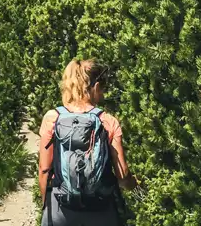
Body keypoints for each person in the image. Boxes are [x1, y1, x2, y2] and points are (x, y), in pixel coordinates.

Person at [39, 58, 137, 226]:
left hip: (61, 208)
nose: (103, 95)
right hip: (100, 210)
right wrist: (134, 184)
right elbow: (123, 175)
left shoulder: (52, 118)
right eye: (103, 90)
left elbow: (44, 169)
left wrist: (45, 205)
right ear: (96, 86)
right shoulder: (108, 121)